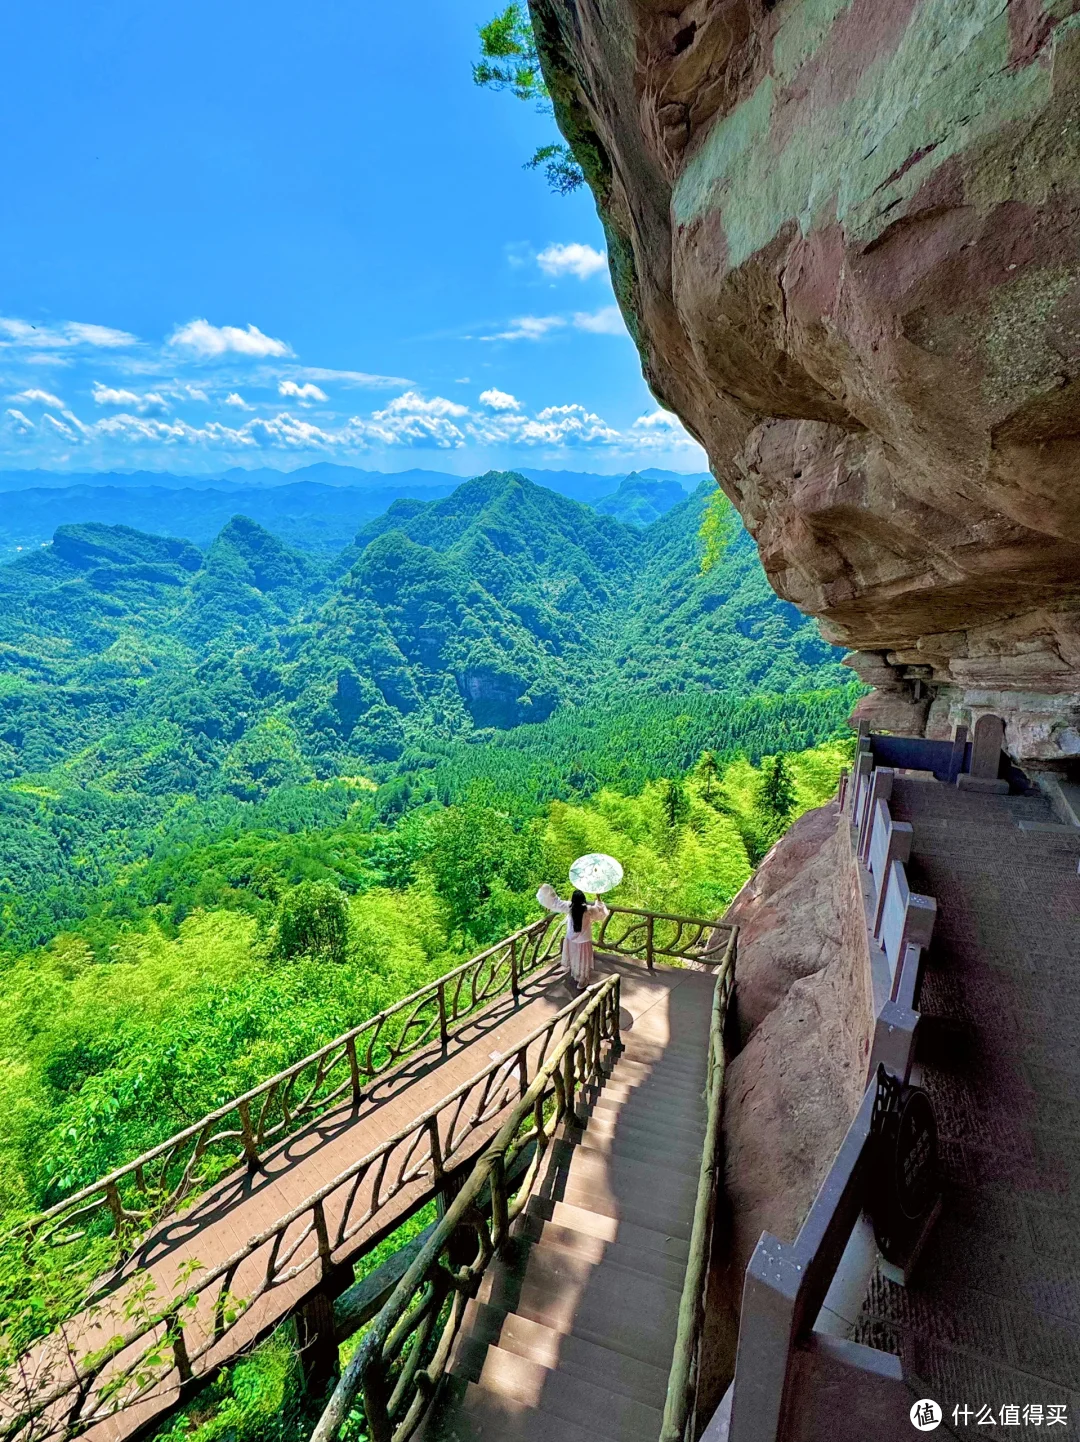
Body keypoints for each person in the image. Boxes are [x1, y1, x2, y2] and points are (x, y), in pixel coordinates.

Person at [536, 883, 609, 989]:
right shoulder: (588, 909)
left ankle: (575, 974)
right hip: (584, 940)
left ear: (573, 900)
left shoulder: (569, 907)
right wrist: (598, 898)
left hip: (572, 938)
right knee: (583, 959)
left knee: (575, 957)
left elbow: (555, 902)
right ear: (583, 899)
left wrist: (545, 888)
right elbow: (601, 913)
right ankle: (582, 980)